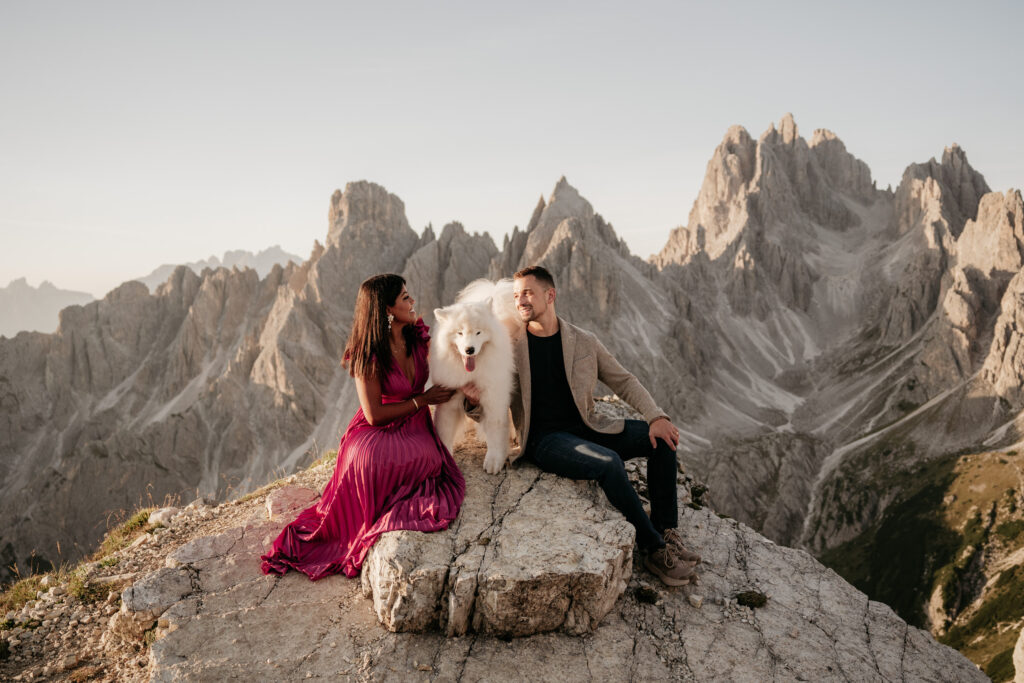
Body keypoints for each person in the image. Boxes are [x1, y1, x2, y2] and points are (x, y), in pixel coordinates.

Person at [465, 265, 701, 586]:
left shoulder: (583, 340)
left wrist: (656, 417)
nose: (520, 300)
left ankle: (666, 530)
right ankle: (654, 550)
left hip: (591, 428)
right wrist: (472, 402)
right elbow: (491, 403)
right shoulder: (511, 347)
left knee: (662, 439)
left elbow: (624, 380)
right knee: (609, 464)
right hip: (546, 440)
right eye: (517, 294)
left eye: (528, 293)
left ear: (550, 295)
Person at [261, 274, 465, 580]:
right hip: (380, 427)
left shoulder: (417, 336)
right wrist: (422, 401)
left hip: (415, 424)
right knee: (371, 461)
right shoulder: (367, 353)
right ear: (387, 309)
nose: (412, 303)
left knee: (428, 457)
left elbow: (454, 358)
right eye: (405, 298)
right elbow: (374, 415)